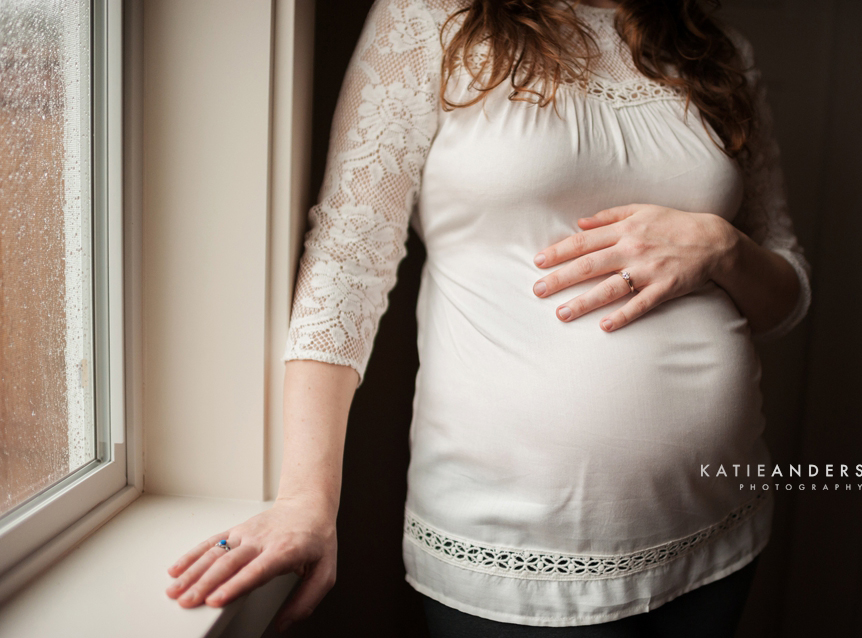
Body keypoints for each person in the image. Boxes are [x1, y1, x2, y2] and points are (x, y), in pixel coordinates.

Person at [165, 0, 812, 635]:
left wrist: (722, 247)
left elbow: (785, 296)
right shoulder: (430, 18)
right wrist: (305, 499)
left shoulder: (716, 52)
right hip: (513, 543)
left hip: (720, 527)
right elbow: (347, 260)